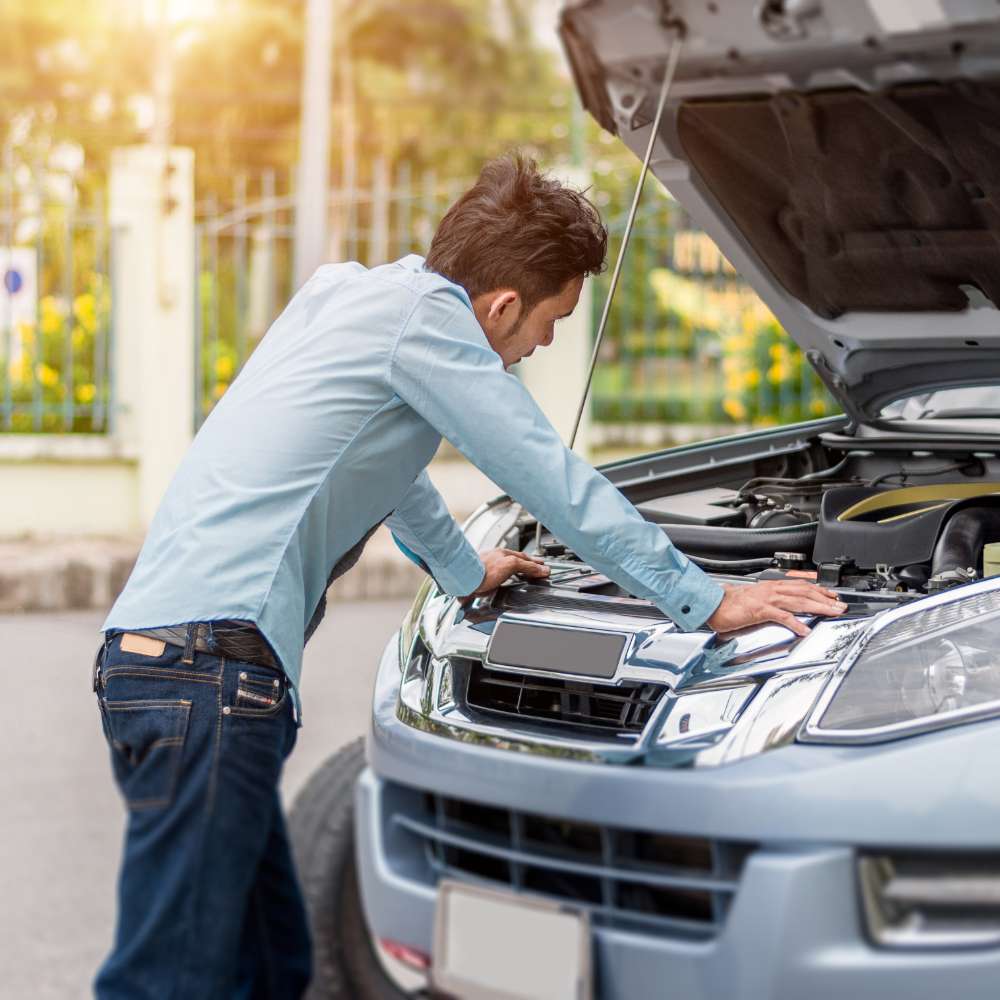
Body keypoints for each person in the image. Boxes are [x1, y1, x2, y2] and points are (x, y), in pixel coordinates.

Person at [92, 153, 846, 998]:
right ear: (503, 306)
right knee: (169, 977)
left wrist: (459, 568)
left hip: (156, 664)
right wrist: (710, 600)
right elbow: (549, 480)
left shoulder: (347, 294)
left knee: (272, 967)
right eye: (552, 322)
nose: (545, 344)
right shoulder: (433, 327)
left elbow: (377, 463)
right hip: (213, 675)